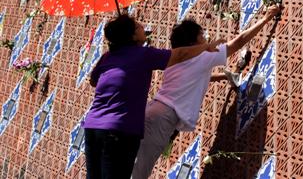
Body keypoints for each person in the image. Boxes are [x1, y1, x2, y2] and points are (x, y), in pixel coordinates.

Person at [131, 4, 282, 178]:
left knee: (132, 166)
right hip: (162, 119)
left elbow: (196, 78)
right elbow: (238, 42)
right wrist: (266, 18)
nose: (205, 38)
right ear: (192, 42)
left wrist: (224, 76)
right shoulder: (201, 55)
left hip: (153, 113)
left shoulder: (175, 60)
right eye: (201, 35)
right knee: (138, 174)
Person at [83, 14, 224, 179]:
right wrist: (205, 47)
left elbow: (93, 81)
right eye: (138, 26)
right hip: (119, 129)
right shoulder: (143, 54)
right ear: (133, 36)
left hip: (92, 126)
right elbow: (179, 55)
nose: (143, 27)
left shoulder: (107, 57)